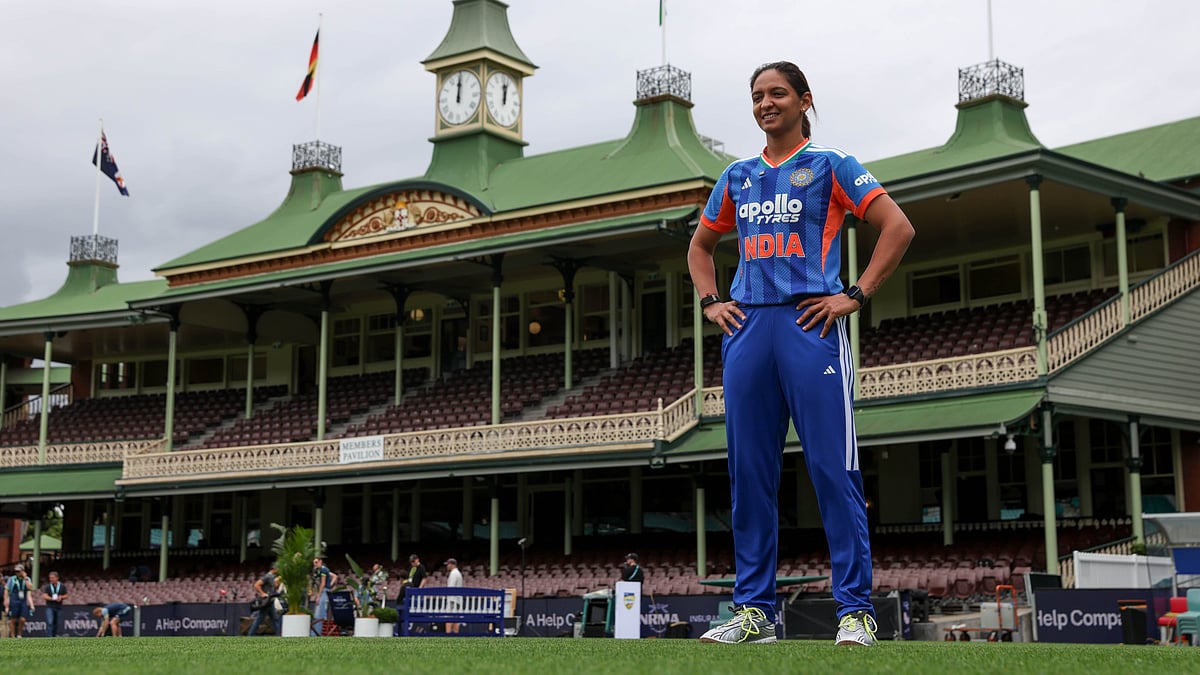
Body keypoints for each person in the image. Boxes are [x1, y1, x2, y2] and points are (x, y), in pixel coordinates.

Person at [688, 61, 914, 647]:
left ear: (804, 100)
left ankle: (855, 612)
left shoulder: (831, 165)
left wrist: (855, 295)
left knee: (833, 470)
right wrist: (712, 302)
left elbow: (898, 227)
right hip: (747, 329)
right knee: (749, 476)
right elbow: (700, 246)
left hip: (810, 324)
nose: (766, 103)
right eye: (757, 95)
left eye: (778, 93)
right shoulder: (737, 176)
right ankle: (754, 612)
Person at [247, 565, 279, 637]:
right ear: (273, 569)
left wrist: (276, 584)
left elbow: (272, 588)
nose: (278, 570)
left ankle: (278, 635)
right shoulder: (267, 576)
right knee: (259, 619)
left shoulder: (273, 578)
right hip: (266, 602)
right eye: (277, 568)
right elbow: (257, 585)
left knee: (275, 619)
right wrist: (262, 594)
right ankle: (250, 635)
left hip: (270, 601)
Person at [4, 564, 35, 638]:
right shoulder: (12, 579)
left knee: (22, 619)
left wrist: (32, 605)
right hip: (14, 600)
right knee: (13, 619)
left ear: (23, 571)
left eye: (19, 571)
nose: (17, 573)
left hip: (23, 601)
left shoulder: (27, 579)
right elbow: (6, 592)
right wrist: (6, 605)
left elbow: (30, 589)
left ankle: (19, 635)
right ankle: (13, 636)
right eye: (16, 571)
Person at [309, 557, 333, 636]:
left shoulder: (323, 570)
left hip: (323, 592)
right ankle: (316, 633)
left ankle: (315, 634)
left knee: (319, 614)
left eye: (316, 562)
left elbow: (323, 583)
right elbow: (334, 576)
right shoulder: (320, 570)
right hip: (324, 591)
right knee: (319, 614)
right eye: (314, 563)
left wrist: (319, 595)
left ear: (320, 561)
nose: (315, 564)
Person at [41, 570, 69, 638]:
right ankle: (49, 636)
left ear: (57, 578)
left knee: (56, 623)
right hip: (50, 607)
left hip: (58, 607)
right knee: (50, 622)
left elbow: (66, 595)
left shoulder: (62, 586)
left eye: (52, 578)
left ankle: (54, 636)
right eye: (50, 578)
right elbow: (44, 596)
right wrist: (52, 599)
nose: (51, 579)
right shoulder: (47, 586)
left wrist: (61, 597)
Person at [443, 558, 463, 634]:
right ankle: (456, 635)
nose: (447, 566)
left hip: (452, 599)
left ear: (452, 564)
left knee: (449, 618)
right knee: (455, 618)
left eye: (448, 564)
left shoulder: (454, 574)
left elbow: (451, 588)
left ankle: (448, 636)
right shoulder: (457, 573)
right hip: (457, 599)